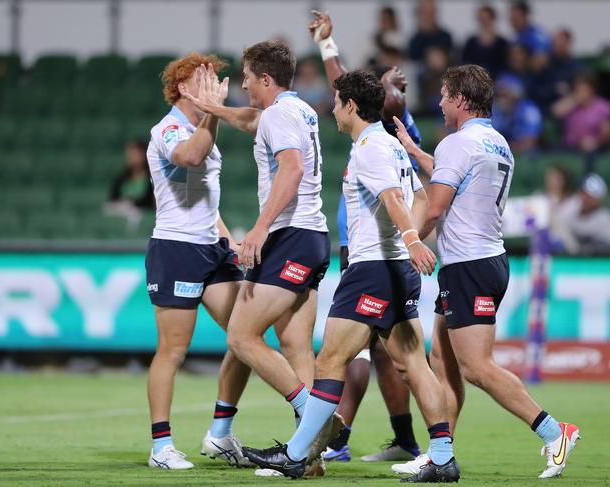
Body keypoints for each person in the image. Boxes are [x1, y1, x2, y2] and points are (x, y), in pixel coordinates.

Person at [241, 70, 460, 483]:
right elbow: (419, 196)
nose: (334, 109)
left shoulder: (369, 149)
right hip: (394, 268)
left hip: (372, 271)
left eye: (338, 102)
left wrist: (410, 240)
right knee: (414, 364)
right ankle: (443, 457)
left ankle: (295, 454)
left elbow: (395, 199)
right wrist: (406, 244)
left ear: (352, 106)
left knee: (330, 361)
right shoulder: (391, 147)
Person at [393, 64, 580, 479]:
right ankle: (440, 453)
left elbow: (437, 205)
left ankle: (554, 431)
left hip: (469, 266)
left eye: (444, 95)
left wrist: (406, 242)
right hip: (486, 260)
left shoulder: (456, 144)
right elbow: (455, 178)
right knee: (443, 357)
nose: (439, 102)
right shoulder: (497, 143)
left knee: (476, 366)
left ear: (460, 99)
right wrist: (412, 147)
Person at [183, 41, 333, 475]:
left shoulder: (281, 115)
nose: (243, 84)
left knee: (241, 337)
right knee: (295, 345)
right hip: (313, 237)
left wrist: (261, 227)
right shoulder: (294, 109)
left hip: (290, 236)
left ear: (265, 79)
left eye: (248, 77)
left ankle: (314, 418)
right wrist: (216, 108)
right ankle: (309, 460)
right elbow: (253, 121)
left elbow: (292, 169)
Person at [308, 9, 423, 464]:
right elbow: (346, 86)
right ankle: (411, 440)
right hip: (367, 248)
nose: (386, 86)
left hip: (374, 252)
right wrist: (327, 44)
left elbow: (404, 199)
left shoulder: (388, 134)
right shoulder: (384, 132)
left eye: (391, 86)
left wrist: (411, 240)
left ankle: (336, 440)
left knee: (358, 354)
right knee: (383, 354)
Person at [144, 53, 252, 470]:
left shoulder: (204, 124)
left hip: (212, 248)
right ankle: (161, 447)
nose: (214, 83)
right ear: (183, 88)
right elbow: (190, 157)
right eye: (204, 78)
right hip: (176, 249)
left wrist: (231, 241)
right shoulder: (168, 128)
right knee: (173, 350)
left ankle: (220, 434)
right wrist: (213, 114)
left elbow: (206, 200)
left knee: (247, 336)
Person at [552, 173, 610, 255]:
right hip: (572, 262)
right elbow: (557, 223)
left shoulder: (605, 218)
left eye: (589, 195)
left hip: (597, 264)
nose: (584, 198)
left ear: (598, 198)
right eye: (582, 193)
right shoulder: (573, 210)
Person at [552, 73, 610, 155]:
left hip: (595, 150)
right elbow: (556, 112)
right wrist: (575, 99)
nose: (579, 91)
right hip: (569, 149)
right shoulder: (571, 103)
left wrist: (596, 142)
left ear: (592, 89)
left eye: (583, 88)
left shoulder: (602, 107)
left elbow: (606, 132)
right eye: (577, 89)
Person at [491, 74, 542, 153]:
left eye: (505, 95)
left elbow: (529, 142)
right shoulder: (495, 110)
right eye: (499, 95)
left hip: (527, 157)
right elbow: (488, 140)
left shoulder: (529, 110)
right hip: (502, 154)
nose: (501, 99)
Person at [462, 5, 509, 79]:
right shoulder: (471, 42)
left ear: (492, 19)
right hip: (474, 80)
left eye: (486, 18)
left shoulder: (502, 43)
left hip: (497, 80)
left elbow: (505, 65)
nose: (483, 21)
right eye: (481, 19)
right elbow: (465, 62)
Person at [109, 140, 154, 210]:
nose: (131, 156)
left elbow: (149, 201)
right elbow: (113, 198)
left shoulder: (151, 177)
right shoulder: (121, 178)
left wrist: (132, 203)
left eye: (135, 153)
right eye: (130, 153)